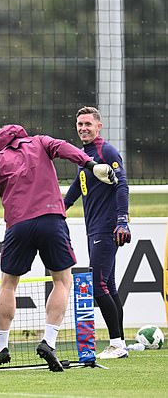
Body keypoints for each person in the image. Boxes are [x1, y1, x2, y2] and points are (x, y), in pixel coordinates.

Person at [0, 124, 117, 372]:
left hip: (18, 225)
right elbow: (66, 149)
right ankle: (48, 341)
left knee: (8, 284)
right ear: (22, 135)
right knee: (62, 281)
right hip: (51, 219)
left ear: (0, 144)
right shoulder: (40, 142)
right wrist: (92, 165)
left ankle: (2, 348)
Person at [64, 106, 130, 359]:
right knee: (109, 285)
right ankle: (120, 341)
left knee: (97, 284)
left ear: (98, 126)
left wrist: (122, 221)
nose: (83, 128)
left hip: (107, 226)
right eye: (80, 124)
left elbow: (122, 184)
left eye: (88, 124)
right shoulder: (84, 154)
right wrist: (64, 206)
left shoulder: (107, 151)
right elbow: (79, 183)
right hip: (93, 228)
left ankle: (117, 345)